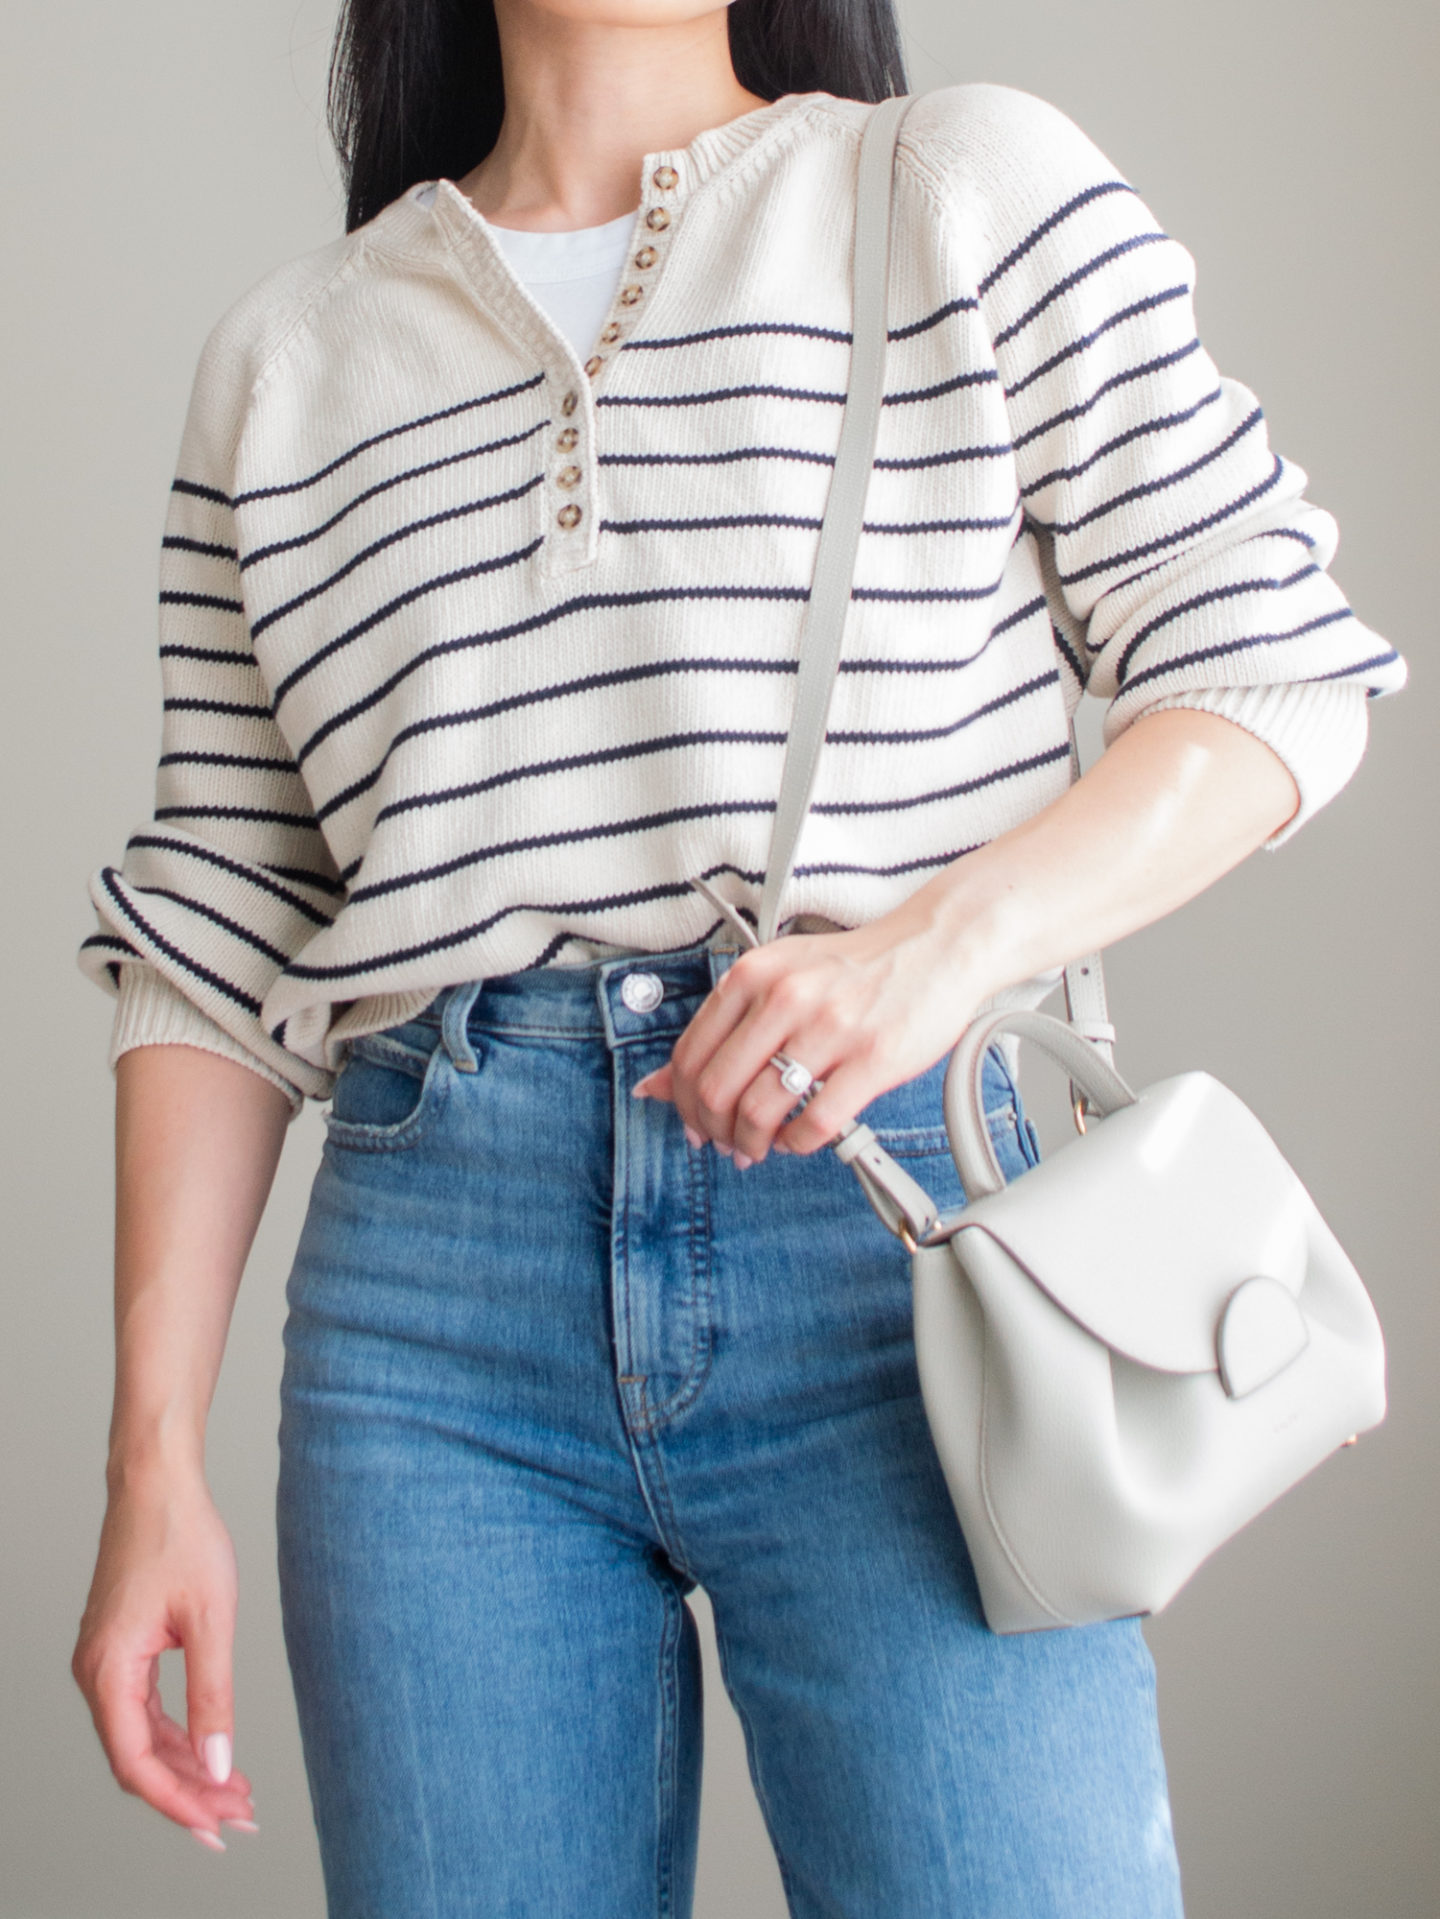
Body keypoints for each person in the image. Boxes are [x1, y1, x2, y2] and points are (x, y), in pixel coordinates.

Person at [68, 0, 1406, 1913]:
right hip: (430, 1321)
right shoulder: (290, 361)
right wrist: (151, 1466)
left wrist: (937, 949)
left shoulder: (955, 186)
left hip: (899, 1255)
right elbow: (217, 936)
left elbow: (1276, 673)